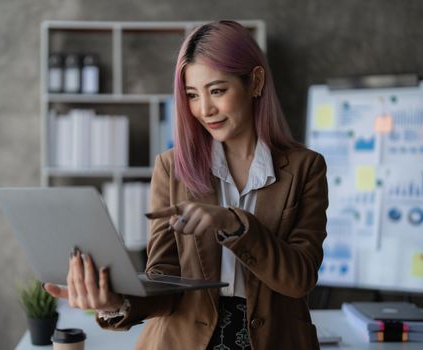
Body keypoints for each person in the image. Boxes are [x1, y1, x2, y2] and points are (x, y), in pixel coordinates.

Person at [44, 20, 328, 350]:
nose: (204, 109)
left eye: (217, 91)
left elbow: (300, 278)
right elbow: (164, 279)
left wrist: (233, 223)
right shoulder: (171, 168)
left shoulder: (306, 168)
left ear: (255, 81)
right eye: (192, 95)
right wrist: (114, 302)